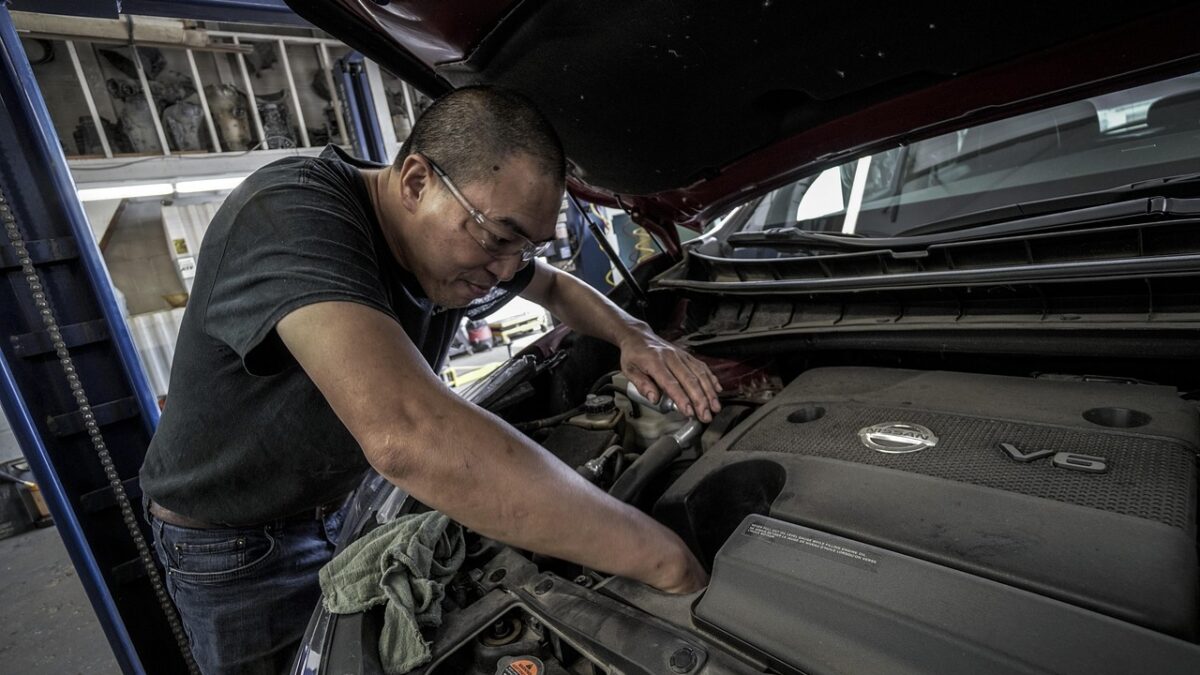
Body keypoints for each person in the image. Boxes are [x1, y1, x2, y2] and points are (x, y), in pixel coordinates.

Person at [139, 85, 720, 674]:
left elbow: (552, 285)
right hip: (237, 547)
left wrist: (632, 335)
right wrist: (662, 560)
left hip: (344, 506)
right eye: (498, 238)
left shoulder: (450, 243)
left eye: (524, 246)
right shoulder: (290, 216)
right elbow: (408, 433)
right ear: (417, 181)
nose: (505, 269)